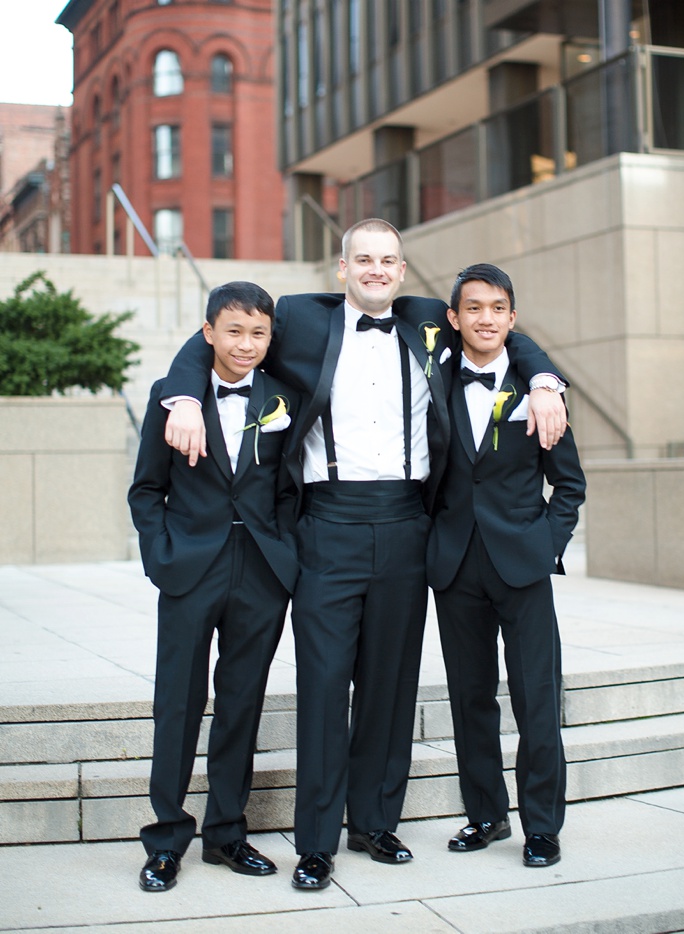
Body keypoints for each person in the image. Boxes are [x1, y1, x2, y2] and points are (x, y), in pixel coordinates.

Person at [158, 219, 568, 890]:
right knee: (323, 686)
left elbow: (503, 332)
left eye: (389, 260)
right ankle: (316, 842)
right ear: (342, 268)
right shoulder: (297, 319)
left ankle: (375, 823)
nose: (377, 269)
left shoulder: (430, 318)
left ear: (403, 271)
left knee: (389, 684)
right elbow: (222, 331)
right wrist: (182, 396)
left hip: (408, 524)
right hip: (327, 523)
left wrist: (546, 380)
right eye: (364, 259)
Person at [128, 281, 299, 892]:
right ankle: (167, 839)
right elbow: (146, 489)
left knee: (241, 705)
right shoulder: (174, 397)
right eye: (233, 331)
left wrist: (286, 556)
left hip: (260, 570)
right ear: (207, 334)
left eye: (258, 333)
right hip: (190, 567)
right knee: (177, 703)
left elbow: (289, 485)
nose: (246, 344)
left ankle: (227, 833)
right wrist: (160, 554)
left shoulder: (284, 398)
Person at [427, 263, 586, 869]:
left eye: (497, 308)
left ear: (512, 319)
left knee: (536, 698)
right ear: (454, 318)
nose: (485, 318)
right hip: (454, 566)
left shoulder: (540, 392)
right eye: (473, 308)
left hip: (522, 565)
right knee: (470, 699)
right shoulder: (434, 380)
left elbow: (569, 484)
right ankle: (486, 816)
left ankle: (541, 825)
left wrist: (546, 543)